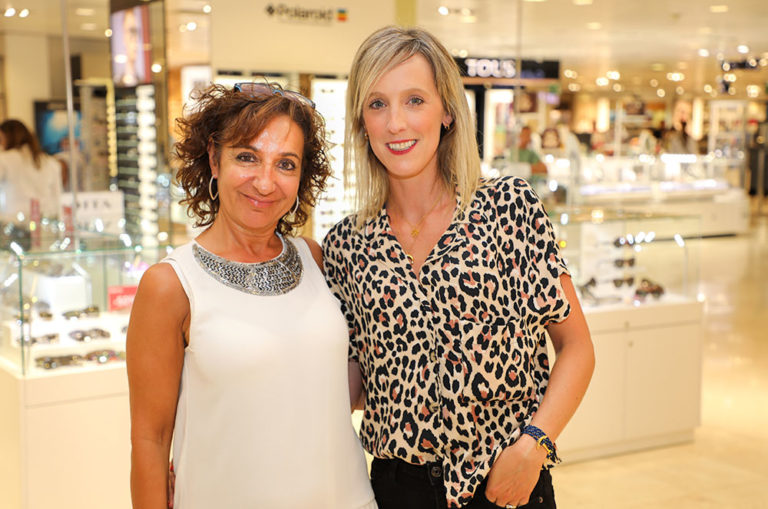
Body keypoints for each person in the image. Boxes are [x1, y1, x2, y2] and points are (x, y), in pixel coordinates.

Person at [323, 26, 594, 509]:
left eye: (414, 100)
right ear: (362, 121)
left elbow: (576, 347)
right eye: (377, 104)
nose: (395, 123)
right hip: (397, 490)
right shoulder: (347, 245)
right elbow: (356, 380)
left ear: (447, 111)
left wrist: (534, 446)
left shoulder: (508, 208)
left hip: (506, 482)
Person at [126, 83, 376, 509]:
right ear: (214, 158)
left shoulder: (314, 258)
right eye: (247, 157)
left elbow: (339, 385)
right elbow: (151, 439)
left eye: (286, 164)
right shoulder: (171, 285)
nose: (265, 182)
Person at [0, 119, 63, 221]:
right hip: (46, 221)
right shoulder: (50, 162)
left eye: (1, 139)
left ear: (8, 137)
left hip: (13, 222)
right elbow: (57, 199)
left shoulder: (4, 159)